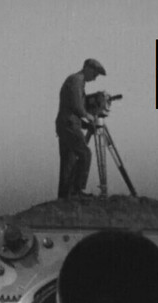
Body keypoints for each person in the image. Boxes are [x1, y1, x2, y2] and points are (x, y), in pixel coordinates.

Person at [55, 58, 106, 200]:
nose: (95, 78)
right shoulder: (76, 80)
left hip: (66, 124)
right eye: (95, 74)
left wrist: (86, 125)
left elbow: (71, 110)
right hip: (69, 125)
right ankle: (77, 191)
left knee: (69, 162)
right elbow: (76, 106)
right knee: (85, 154)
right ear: (88, 68)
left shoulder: (77, 81)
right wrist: (89, 116)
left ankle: (65, 196)